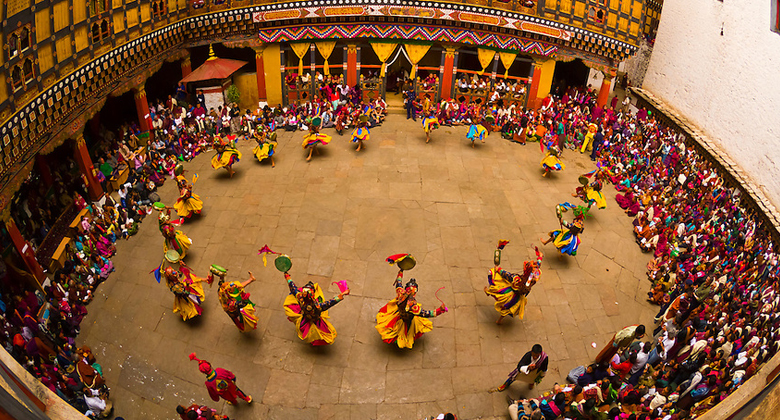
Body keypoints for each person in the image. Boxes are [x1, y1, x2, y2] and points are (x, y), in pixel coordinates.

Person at [376, 260, 447, 349]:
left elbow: (399, 283)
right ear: (415, 293)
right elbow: (427, 314)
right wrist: (440, 310)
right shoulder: (413, 307)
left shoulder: (401, 293)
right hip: (407, 320)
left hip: (398, 314)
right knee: (405, 332)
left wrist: (401, 271)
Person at [282, 268, 350, 346]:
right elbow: (331, 302)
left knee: (308, 332)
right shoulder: (318, 306)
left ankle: (312, 339)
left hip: (304, 320)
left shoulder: (300, 298)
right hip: (316, 321)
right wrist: (342, 294)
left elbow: (293, 287)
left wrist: (287, 277)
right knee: (322, 333)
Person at [484, 241, 543, 324]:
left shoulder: (517, 280)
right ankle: (499, 320)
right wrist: (540, 257)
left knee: (496, 285)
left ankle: (488, 292)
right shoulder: (532, 280)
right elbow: (537, 266)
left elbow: (506, 275)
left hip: (511, 294)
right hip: (519, 298)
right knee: (507, 308)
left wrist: (498, 269)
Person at [210, 267, 258, 332]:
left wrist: (221, 277)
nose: (233, 285)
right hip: (235, 313)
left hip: (236, 307)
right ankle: (243, 328)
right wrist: (241, 302)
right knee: (241, 321)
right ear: (229, 290)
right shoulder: (227, 299)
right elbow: (233, 304)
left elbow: (237, 285)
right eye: (230, 285)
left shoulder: (225, 289)